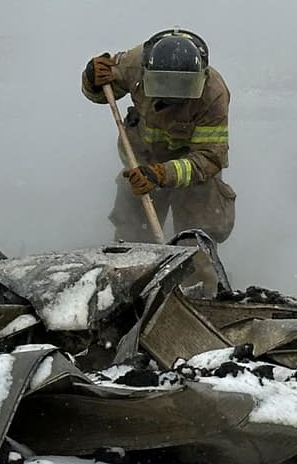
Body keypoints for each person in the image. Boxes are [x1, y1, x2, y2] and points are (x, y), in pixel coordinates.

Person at [80, 29, 236, 284]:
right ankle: (128, 289)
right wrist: (92, 79)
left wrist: (162, 174)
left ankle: (197, 295)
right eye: (164, 84)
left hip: (194, 173)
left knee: (195, 245)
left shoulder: (214, 93)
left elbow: (209, 158)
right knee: (131, 243)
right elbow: (103, 92)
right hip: (142, 163)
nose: (173, 95)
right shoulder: (134, 63)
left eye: (183, 87)